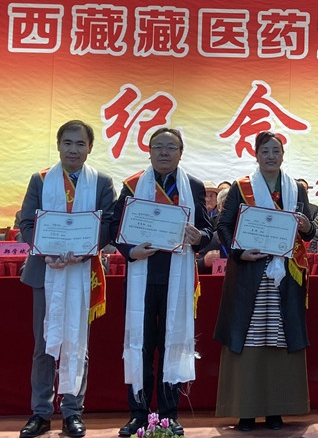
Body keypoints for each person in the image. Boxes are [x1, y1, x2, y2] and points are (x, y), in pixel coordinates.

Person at [18, 120, 117, 438]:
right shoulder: (40, 179)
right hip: (45, 270)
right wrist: (45, 251)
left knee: (77, 343)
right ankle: (41, 412)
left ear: (90, 148)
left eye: (80, 144)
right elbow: (26, 222)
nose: (73, 150)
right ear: (59, 145)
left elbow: (109, 225)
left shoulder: (101, 182)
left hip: (83, 271)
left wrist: (85, 251)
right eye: (68, 143)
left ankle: (73, 412)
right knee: (44, 344)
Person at [113, 128, 213, 437]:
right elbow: (115, 228)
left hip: (177, 278)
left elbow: (208, 230)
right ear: (149, 151)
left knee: (173, 344)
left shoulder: (193, 186)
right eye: (158, 146)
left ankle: (169, 415)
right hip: (142, 276)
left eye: (171, 147)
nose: (164, 152)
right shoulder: (132, 185)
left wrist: (199, 237)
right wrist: (130, 251)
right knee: (141, 346)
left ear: (181, 153)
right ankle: (138, 414)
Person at [214, 131, 316, 431]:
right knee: (250, 339)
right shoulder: (241, 187)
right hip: (250, 274)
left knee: (280, 340)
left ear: (283, 155)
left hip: (286, 276)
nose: (271, 156)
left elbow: (309, 231)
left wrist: (307, 226)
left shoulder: (295, 188)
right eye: (265, 151)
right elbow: (223, 226)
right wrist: (239, 253)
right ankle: (245, 411)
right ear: (256, 155)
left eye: (276, 151)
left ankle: (276, 410)